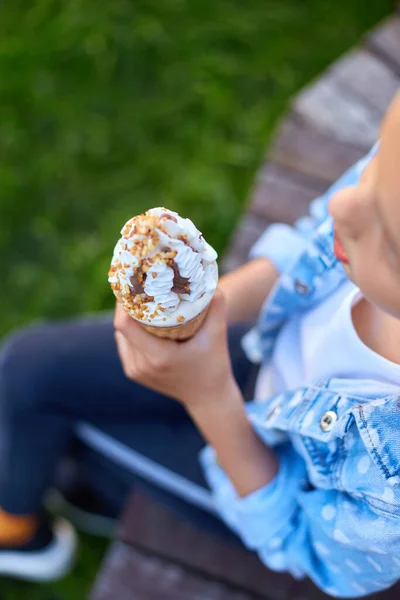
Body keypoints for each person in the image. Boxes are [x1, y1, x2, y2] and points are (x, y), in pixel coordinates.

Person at [1, 93, 400, 596]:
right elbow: (309, 242)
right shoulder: (368, 211)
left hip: (259, 469)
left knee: (77, 430)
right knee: (27, 366)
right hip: (253, 354)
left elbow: (313, 551)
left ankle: (39, 524)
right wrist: (206, 309)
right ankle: (36, 512)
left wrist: (207, 396)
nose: (343, 204)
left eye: (388, 238)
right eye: (378, 159)